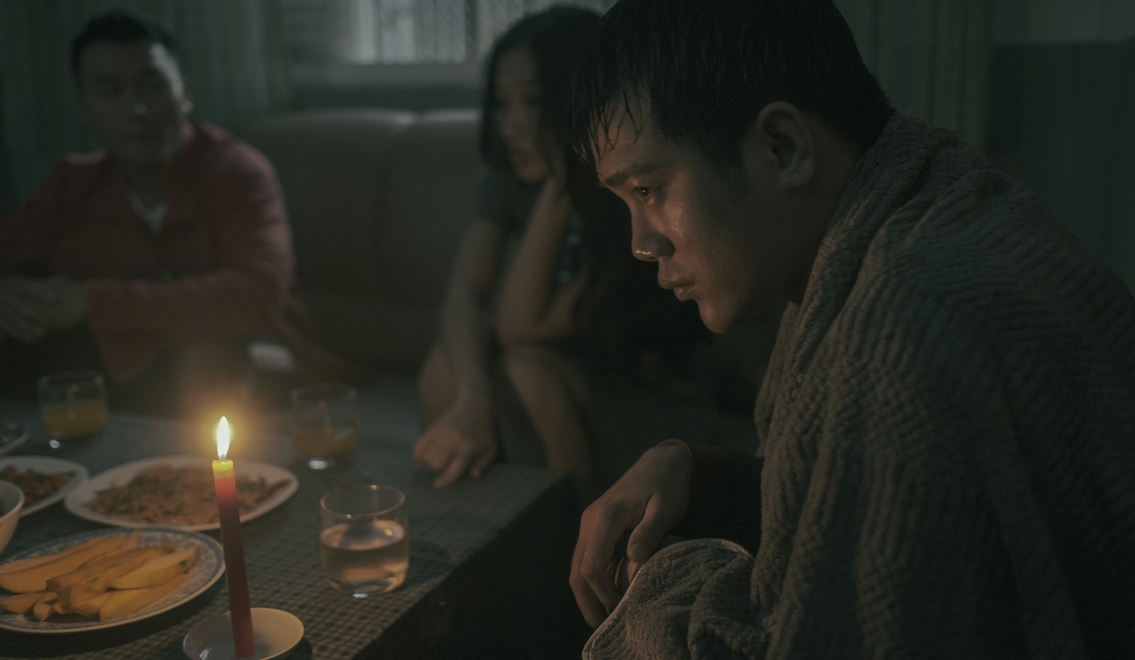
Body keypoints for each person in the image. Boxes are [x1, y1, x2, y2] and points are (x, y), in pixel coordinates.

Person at [566, 0, 1135, 657]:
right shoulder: (921, 215)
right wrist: (698, 476)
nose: (641, 244)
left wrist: (662, 577)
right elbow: (868, 516)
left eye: (647, 190)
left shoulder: (910, 319)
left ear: (783, 147)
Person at [413, 6, 752, 500]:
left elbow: (517, 325)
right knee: (445, 369)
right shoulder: (506, 178)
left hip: (648, 393)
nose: (511, 126)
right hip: (561, 377)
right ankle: (471, 531)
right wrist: (471, 395)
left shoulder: (625, 189)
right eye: (501, 104)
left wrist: (563, 179)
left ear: (572, 102)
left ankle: (574, 543)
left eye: (532, 102)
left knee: (526, 372)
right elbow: (463, 293)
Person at [0, 11, 357, 419]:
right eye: (110, 92)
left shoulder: (237, 174)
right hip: (115, 368)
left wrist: (92, 301)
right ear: (85, 108)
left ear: (184, 93)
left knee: (207, 359)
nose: (136, 109)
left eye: (152, 86)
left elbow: (257, 294)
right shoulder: (74, 183)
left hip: (241, 365)